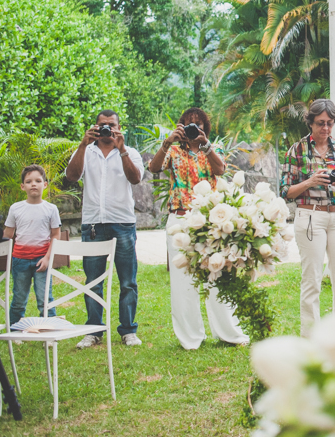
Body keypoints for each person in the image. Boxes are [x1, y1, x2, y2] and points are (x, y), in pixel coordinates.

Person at [148, 107, 248, 350]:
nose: (194, 127)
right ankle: (191, 338)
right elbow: (153, 168)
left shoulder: (213, 148)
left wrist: (206, 147)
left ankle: (228, 333)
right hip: (180, 220)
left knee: (217, 274)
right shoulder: (172, 149)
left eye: (199, 124)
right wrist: (167, 142)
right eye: (189, 123)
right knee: (182, 281)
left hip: (209, 220)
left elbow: (221, 170)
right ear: (181, 126)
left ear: (205, 128)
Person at [65, 110, 144, 348]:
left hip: (123, 223)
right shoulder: (86, 151)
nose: (107, 129)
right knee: (92, 280)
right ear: (95, 127)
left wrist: (122, 150)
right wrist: (82, 144)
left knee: (127, 280)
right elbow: (71, 176)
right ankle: (93, 330)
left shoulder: (130, 152)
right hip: (93, 225)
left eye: (111, 125)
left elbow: (136, 179)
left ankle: (128, 330)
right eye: (102, 125)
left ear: (119, 127)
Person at [281, 99, 335, 338]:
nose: (325, 128)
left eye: (329, 123)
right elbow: (285, 191)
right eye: (320, 123)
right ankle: (310, 339)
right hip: (311, 216)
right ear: (310, 123)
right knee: (311, 280)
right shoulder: (297, 150)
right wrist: (310, 182)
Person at [3, 165, 61, 324]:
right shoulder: (16, 208)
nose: (33, 184)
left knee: (45, 299)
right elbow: (8, 234)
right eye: (28, 181)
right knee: (19, 299)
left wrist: (48, 258)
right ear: (23, 186)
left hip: (42, 261)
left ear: (45, 184)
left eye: (38, 180)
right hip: (19, 261)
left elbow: (56, 235)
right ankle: (14, 331)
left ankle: (49, 331)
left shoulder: (51, 209)